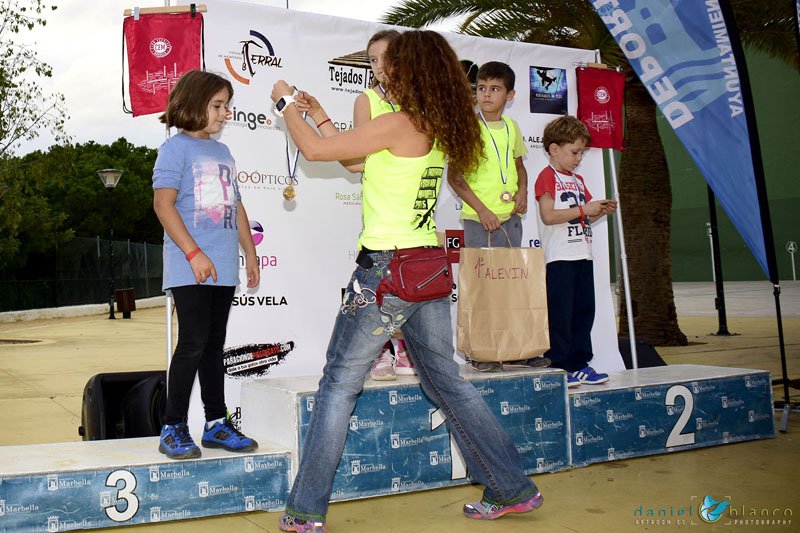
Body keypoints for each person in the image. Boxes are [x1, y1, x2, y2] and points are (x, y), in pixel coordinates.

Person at [271, 30, 543, 533]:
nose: (384, 71)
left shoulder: (398, 122)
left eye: (392, 63)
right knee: (447, 383)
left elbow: (313, 151)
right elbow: (353, 159)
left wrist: (285, 101)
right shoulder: (436, 125)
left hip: (386, 272)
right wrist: (319, 113)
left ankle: (305, 512)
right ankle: (512, 488)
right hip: (427, 267)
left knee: (338, 384)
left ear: (411, 70)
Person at [152, 70, 260, 460]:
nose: (225, 114)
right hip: (190, 265)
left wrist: (249, 252)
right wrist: (193, 253)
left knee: (213, 346)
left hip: (224, 264)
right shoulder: (174, 149)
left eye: (226, 106)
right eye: (217, 106)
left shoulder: (223, 152)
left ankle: (216, 423)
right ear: (195, 103)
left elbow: (237, 205)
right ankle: (172, 426)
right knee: (192, 343)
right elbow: (163, 205)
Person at [301, 29, 415, 382]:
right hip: (382, 214)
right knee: (377, 286)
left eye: (387, 58)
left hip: (416, 216)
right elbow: (355, 161)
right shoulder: (367, 101)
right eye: (373, 60)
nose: (379, 66)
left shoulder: (422, 103)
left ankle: (405, 348)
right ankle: (380, 352)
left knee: (410, 285)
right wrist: (319, 114)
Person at [447, 60, 550, 373]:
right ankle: (482, 351)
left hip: (510, 220)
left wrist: (522, 192)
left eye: (495, 89)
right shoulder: (467, 127)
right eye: (481, 88)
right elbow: (455, 178)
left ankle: (518, 349)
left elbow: (519, 166)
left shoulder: (511, 127)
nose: (487, 94)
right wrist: (482, 210)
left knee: (514, 288)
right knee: (483, 289)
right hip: (480, 221)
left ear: (510, 95)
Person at [534, 115, 617, 388]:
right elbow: (548, 216)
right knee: (561, 314)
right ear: (554, 149)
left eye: (581, 153)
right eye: (574, 152)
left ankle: (580, 364)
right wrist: (585, 209)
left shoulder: (578, 180)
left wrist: (599, 210)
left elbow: (582, 216)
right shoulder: (547, 177)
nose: (579, 158)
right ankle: (559, 365)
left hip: (583, 254)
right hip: (560, 257)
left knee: (584, 311)